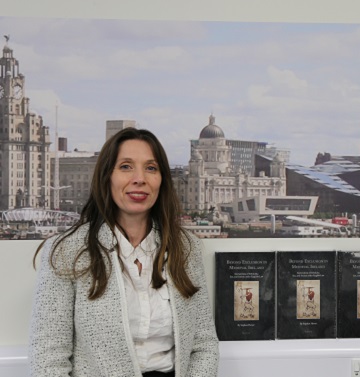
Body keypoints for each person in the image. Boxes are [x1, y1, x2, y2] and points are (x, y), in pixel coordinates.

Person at [29, 128, 219, 377]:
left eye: (151, 168)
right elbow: (48, 357)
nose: (140, 178)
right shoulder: (67, 251)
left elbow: (203, 344)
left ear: (162, 179)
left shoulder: (187, 248)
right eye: (126, 167)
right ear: (107, 176)